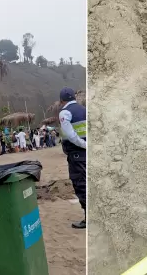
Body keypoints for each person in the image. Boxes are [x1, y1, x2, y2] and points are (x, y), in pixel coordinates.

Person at [58, 87, 87, 229]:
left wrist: (84, 145)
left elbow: (71, 135)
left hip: (77, 153)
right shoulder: (84, 109)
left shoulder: (65, 112)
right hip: (85, 154)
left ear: (62, 101)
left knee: (81, 184)